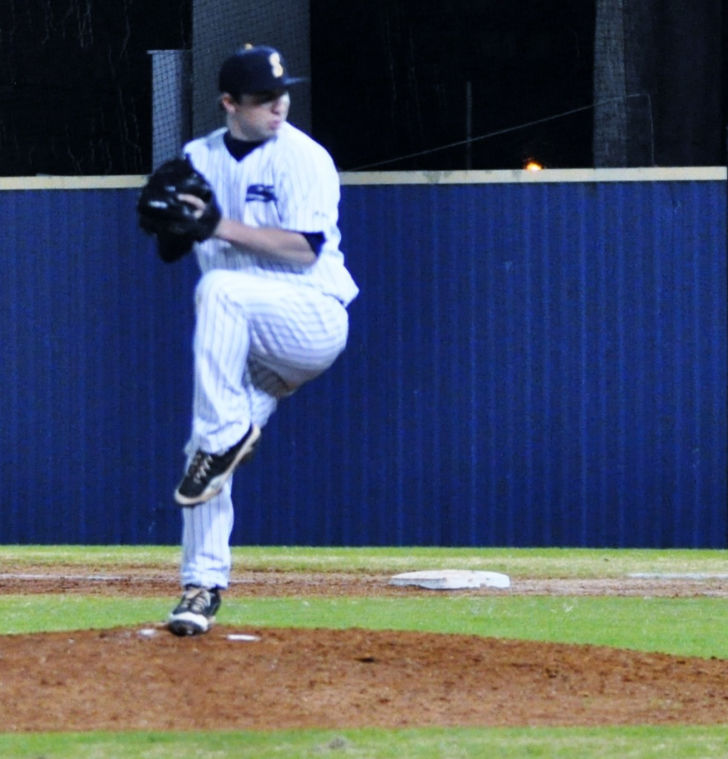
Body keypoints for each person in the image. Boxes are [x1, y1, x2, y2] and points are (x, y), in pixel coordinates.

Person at [164, 44, 359, 636]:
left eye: (283, 94)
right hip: (248, 343)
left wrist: (217, 224)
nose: (279, 106)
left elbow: (305, 249)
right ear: (229, 103)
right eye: (263, 98)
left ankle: (228, 437)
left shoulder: (303, 158)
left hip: (310, 319)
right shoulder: (197, 158)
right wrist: (164, 217)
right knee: (203, 448)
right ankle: (200, 588)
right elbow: (174, 235)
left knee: (222, 289)